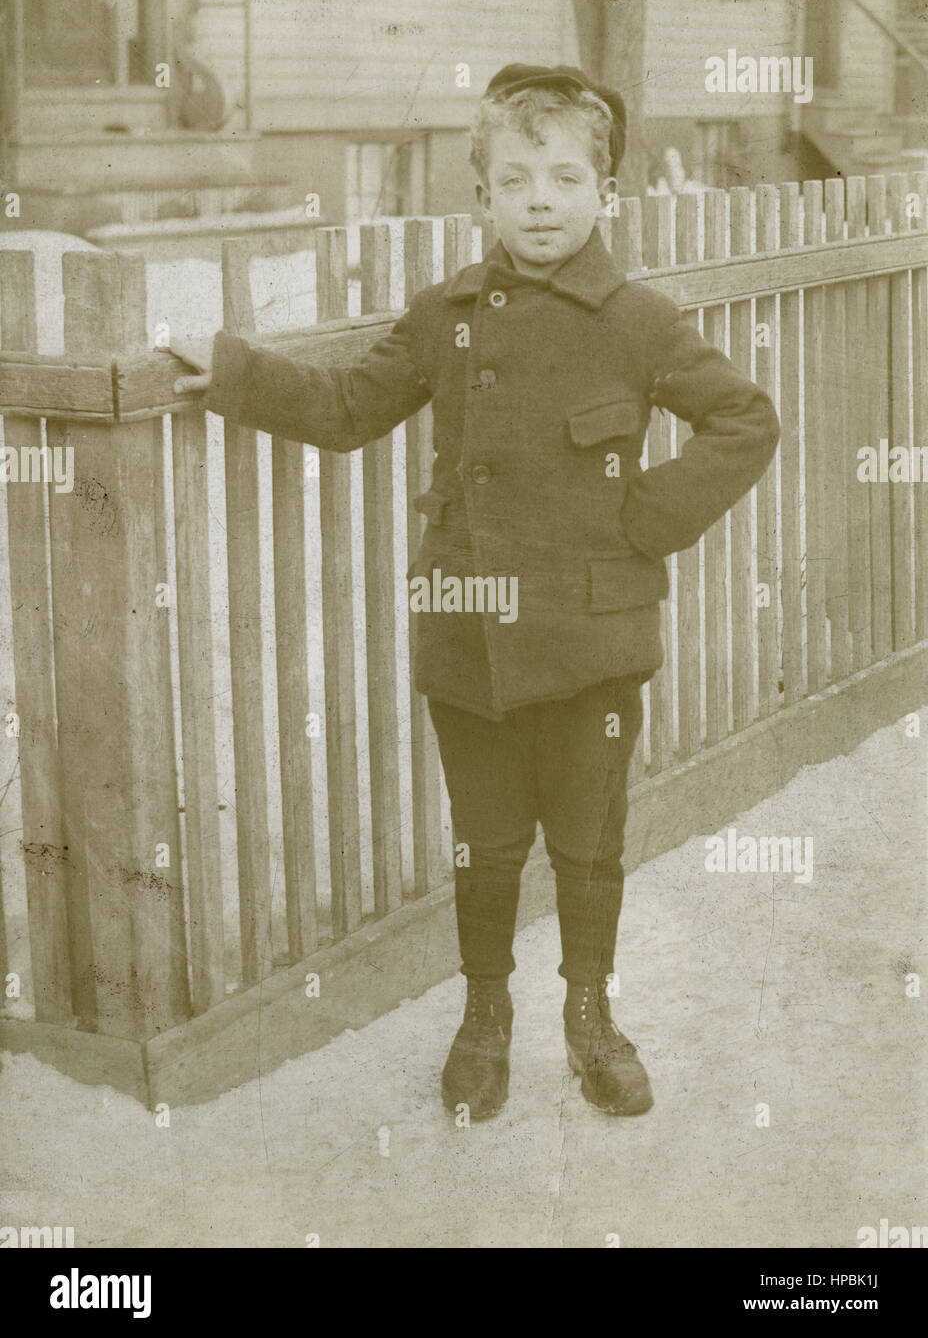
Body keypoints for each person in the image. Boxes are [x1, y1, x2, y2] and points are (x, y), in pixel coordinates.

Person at [169, 63, 780, 1121]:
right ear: (482, 197)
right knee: (486, 841)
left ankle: (590, 1015)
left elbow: (745, 421)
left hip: (593, 634)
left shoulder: (637, 320)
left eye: (562, 177)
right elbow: (352, 403)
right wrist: (229, 369)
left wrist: (640, 522)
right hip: (471, 632)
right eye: (514, 178)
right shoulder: (448, 311)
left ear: (606, 195)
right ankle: (483, 1016)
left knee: (588, 844)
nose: (539, 199)